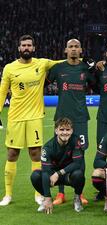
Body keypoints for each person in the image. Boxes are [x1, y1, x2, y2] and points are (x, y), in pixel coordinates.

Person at [0, 35, 62, 206]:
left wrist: (82, 59)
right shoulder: (9, 68)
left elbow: (61, 62)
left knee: (36, 154)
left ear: (33, 48)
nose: (26, 48)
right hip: (15, 117)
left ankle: (37, 194)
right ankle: (8, 194)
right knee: (12, 154)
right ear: (19, 48)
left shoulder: (41, 63)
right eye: (23, 45)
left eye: (29, 45)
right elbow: (2, 91)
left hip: (35, 117)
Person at [46, 39, 94, 205]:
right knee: (59, 156)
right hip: (61, 117)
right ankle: (60, 193)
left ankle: (78, 193)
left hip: (80, 118)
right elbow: (42, 84)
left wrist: (97, 66)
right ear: (65, 50)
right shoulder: (58, 68)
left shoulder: (85, 69)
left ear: (81, 50)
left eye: (76, 47)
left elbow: (97, 84)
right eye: (71, 47)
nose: (74, 49)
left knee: (80, 156)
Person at [30, 118, 85, 213]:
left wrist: (58, 173)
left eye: (67, 130)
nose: (65, 133)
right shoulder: (48, 147)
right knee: (35, 176)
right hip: (51, 177)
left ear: (72, 131)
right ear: (56, 131)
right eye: (61, 129)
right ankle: (45, 200)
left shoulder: (76, 141)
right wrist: (47, 196)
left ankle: (77, 198)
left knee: (79, 174)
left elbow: (77, 163)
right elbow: (46, 171)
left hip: (68, 175)